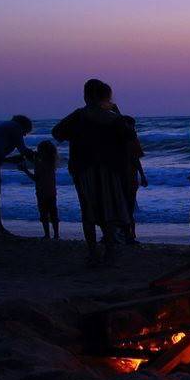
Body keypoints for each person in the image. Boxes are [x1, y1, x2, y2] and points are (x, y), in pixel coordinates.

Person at [52, 79, 134, 266]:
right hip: (110, 169)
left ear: (87, 96)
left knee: (88, 211)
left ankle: (93, 253)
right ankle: (110, 252)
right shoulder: (113, 118)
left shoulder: (79, 116)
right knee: (110, 210)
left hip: (84, 169)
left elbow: (56, 132)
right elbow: (129, 136)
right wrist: (117, 112)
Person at [18, 140, 60, 239]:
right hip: (52, 192)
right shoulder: (51, 163)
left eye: (39, 150)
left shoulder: (40, 164)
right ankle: (56, 235)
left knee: (44, 214)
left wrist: (25, 170)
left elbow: (36, 178)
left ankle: (47, 235)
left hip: (41, 193)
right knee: (53, 214)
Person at [120, 115, 148, 244]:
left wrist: (142, 175)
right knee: (129, 206)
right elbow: (136, 159)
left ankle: (128, 234)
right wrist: (142, 175)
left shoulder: (119, 140)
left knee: (125, 206)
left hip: (124, 177)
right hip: (128, 177)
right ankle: (129, 234)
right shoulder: (132, 140)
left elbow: (135, 159)